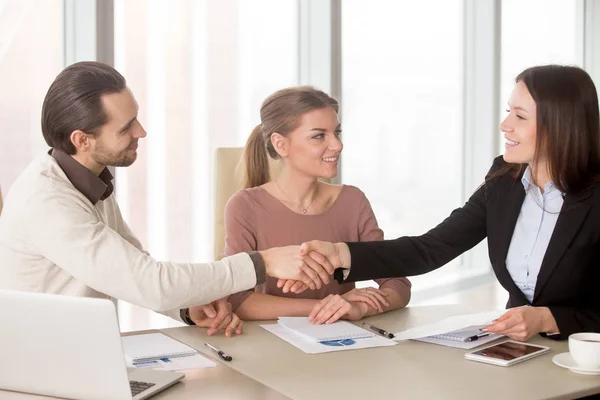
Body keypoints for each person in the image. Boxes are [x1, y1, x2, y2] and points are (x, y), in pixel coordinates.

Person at [0, 62, 332, 337]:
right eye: (126, 127)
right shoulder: (48, 203)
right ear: (82, 140)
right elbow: (150, 282)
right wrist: (263, 263)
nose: (141, 132)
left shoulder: (87, 181)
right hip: (41, 375)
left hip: (81, 358)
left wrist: (188, 308)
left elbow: (133, 266)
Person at [297, 65, 600, 341]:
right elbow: (430, 249)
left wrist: (548, 318)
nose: (504, 125)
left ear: (560, 125)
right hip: (521, 353)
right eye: (508, 111)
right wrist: (341, 254)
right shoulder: (505, 181)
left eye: (520, 116)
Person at [222, 86, 411, 323]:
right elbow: (236, 300)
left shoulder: (353, 201)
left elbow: (397, 284)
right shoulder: (245, 206)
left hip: (344, 344)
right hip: (272, 345)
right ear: (281, 144)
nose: (337, 145)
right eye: (319, 136)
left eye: (337, 133)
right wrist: (327, 306)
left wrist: (361, 309)